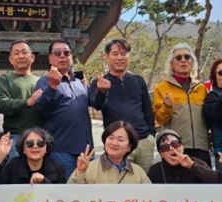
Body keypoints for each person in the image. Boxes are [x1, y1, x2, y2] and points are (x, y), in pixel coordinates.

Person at [90, 38, 156, 172]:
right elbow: (97, 105)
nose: (119, 57)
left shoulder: (138, 80)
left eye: (123, 53)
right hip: (118, 143)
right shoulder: (99, 82)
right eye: (115, 54)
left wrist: (151, 135)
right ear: (107, 57)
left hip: (144, 141)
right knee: (119, 180)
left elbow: (147, 109)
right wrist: (102, 92)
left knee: (145, 180)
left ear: (128, 57)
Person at [34, 40, 93, 179]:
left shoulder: (79, 82)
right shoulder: (44, 82)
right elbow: (41, 109)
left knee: (88, 189)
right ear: (50, 58)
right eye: (57, 53)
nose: (62, 56)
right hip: (61, 151)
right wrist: (52, 87)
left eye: (66, 53)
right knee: (65, 189)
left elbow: (96, 103)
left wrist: (102, 91)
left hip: (86, 151)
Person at [152, 43, 211, 166]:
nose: (183, 60)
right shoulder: (161, 88)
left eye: (187, 57)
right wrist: (168, 107)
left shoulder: (201, 88)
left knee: (204, 178)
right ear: (171, 64)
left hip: (201, 147)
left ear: (192, 62)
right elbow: (159, 119)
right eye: (178, 58)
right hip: (174, 148)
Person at [0, 40, 44, 157]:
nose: (21, 56)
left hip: (39, 138)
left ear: (32, 57)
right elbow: (2, 105)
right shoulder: (4, 79)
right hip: (15, 137)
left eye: (24, 52)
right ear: (10, 59)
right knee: (16, 168)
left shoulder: (41, 81)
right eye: (16, 53)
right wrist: (27, 102)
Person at [68, 121, 150, 184]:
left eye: (120, 140)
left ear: (129, 147)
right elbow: (70, 195)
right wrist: (80, 172)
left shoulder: (139, 172)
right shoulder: (88, 168)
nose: (114, 143)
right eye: (111, 138)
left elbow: (150, 196)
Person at [147, 129, 222, 184]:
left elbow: (217, 181)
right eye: (165, 147)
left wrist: (193, 166)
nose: (171, 149)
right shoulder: (154, 170)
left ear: (182, 147)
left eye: (175, 144)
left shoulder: (196, 162)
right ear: (161, 154)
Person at [0, 127, 67, 184]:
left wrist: (44, 181)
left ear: (46, 148)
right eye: (29, 143)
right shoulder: (12, 165)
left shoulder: (58, 167)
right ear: (23, 149)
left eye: (40, 143)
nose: (35, 146)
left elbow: (60, 196)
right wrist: (0, 157)